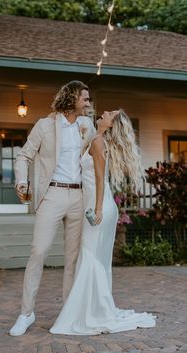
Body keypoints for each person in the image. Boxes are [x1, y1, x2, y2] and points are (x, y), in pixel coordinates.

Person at [50, 109, 156, 335]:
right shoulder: (95, 139)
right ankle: (95, 309)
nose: (104, 112)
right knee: (96, 259)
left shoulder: (98, 142)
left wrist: (97, 208)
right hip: (101, 205)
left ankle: (94, 313)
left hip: (100, 207)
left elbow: (99, 179)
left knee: (90, 257)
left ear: (110, 124)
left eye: (110, 113)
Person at [9, 80, 96, 336]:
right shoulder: (45, 126)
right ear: (71, 99)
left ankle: (68, 314)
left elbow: (96, 158)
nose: (89, 103)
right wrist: (22, 180)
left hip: (79, 196)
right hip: (53, 194)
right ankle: (26, 313)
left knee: (72, 259)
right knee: (39, 251)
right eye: (85, 99)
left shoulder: (86, 126)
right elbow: (24, 155)